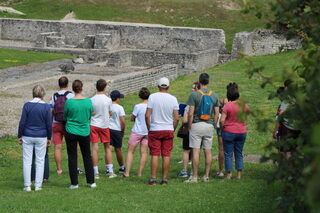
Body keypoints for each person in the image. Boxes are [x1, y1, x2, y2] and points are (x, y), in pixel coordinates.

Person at [185, 73, 219, 183]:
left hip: (196, 124)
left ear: (199, 81)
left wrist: (190, 125)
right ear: (208, 82)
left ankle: (194, 176)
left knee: (195, 151)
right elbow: (217, 114)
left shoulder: (194, 95)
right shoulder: (214, 95)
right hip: (208, 125)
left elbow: (190, 113)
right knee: (208, 151)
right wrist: (213, 124)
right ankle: (206, 176)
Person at [145, 77, 179, 185]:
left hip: (155, 128)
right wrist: (173, 128)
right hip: (168, 129)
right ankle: (164, 179)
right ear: (168, 86)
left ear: (158, 86)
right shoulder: (173, 99)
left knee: (155, 154)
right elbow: (176, 118)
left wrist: (149, 127)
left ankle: (153, 179)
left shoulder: (152, 97)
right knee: (166, 154)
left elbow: (147, 115)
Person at [18, 85, 52, 191]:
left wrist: (20, 135)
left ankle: (27, 185)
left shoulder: (27, 105)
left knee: (27, 161)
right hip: (41, 136)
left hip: (27, 135)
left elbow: (22, 122)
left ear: (33, 93)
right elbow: (49, 124)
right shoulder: (46, 107)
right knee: (40, 161)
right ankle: (38, 185)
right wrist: (49, 137)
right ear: (43, 94)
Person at [64, 80, 95, 189]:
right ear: (82, 88)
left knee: (72, 156)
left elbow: (65, 115)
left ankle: (74, 183)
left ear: (73, 89)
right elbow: (90, 114)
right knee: (87, 155)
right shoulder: (88, 101)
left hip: (71, 130)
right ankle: (91, 181)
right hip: (84, 130)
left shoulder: (69, 102)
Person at [220, 82, 249, 180]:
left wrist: (222, 128)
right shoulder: (244, 106)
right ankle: (239, 174)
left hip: (229, 131)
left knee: (228, 153)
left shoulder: (227, 106)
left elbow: (222, 120)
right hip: (241, 132)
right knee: (239, 153)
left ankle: (228, 174)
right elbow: (246, 119)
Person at [123, 87, 150, 177]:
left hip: (137, 131)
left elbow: (132, 118)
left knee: (130, 151)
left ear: (140, 96)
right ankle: (139, 173)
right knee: (143, 152)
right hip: (147, 131)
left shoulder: (138, 106)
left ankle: (127, 173)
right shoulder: (151, 106)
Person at [50, 76, 74, 175]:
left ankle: (59, 170)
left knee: (57, 147)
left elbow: (50, 110)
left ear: (58, 84)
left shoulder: (54, 96)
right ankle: (73, 167)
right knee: (71, 146)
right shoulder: (71, 96)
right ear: (67, 84)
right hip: (67, 123)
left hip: (56, 123)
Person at [90, 79, 113, 179]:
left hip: (94, 124)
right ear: (104, 87)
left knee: (94, 148)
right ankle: (110, 171)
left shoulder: (91, 99)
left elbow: (90, 112)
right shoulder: (108, 100)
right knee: (107, 148)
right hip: (104, 125)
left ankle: (95, 172)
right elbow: (110, 112)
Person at [272, 80, 300, 160]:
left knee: (286, 151)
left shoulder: (285, 102)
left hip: (287, 129)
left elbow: (279, 118)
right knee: (294, 150)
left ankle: (287, 168)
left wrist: (275, 131)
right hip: (298, 129)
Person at [178, 82, 199, 178]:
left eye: (193, 88)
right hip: (199, 128)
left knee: (186, 151)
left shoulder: (189, 105)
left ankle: (185, 170)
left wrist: (183, 125)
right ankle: (194, 172)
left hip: (190, 129)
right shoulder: (202, 103)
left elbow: (185, 119)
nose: (192, 90)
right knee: (196, 151)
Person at [109, 90, 126, 176]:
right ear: (117, 98)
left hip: (108, 129)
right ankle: (121, 167)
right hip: (116, 130)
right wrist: (122, 131)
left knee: (108, 149)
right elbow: (122, 121)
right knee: (118, 149)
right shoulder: (120, 108)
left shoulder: (107, 106)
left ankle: (109, 168)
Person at [215, 98, 229, 178]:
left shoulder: (222, 100)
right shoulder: (236, 103)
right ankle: (233, 172)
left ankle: (221, 171)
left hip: (222, 126)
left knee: (221, 149)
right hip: (233, 127)